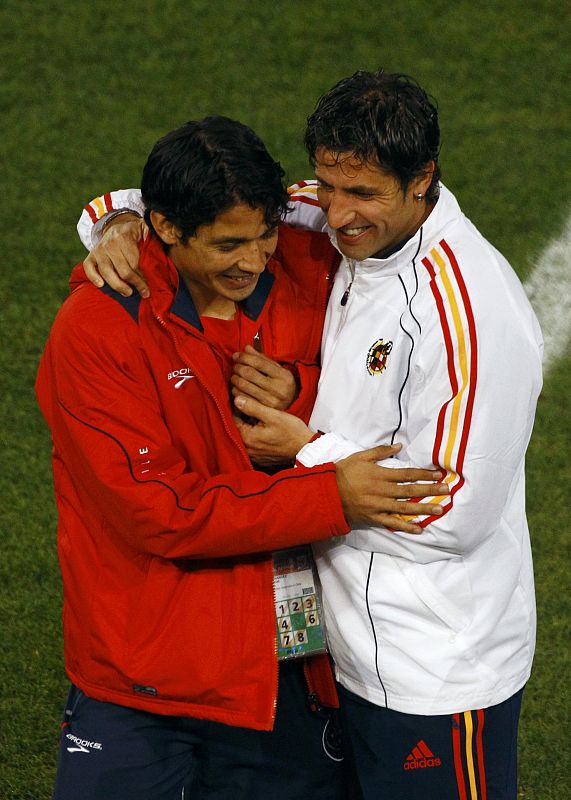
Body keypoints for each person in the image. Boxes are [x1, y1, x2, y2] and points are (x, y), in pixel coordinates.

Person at [77, 72, 544, 800]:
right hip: (344, 653)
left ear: (421, 179)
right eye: (328, 186)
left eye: (362, 195)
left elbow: (451, 512)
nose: (336, 215)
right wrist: (112, 226)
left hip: (434, 669)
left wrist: (307, 450)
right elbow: (156, 200)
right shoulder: (329, 218)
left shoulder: (469, 314)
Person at [37, 114, 449, 800]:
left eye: (262, 235)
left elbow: (383, 380)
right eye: (228, 244)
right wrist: (330, 496)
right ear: (164, 228)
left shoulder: (312, 264)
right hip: (145, 678)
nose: (253, 260)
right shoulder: (98, 329)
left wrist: (302, 388)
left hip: (289, 669)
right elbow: (159, 513)